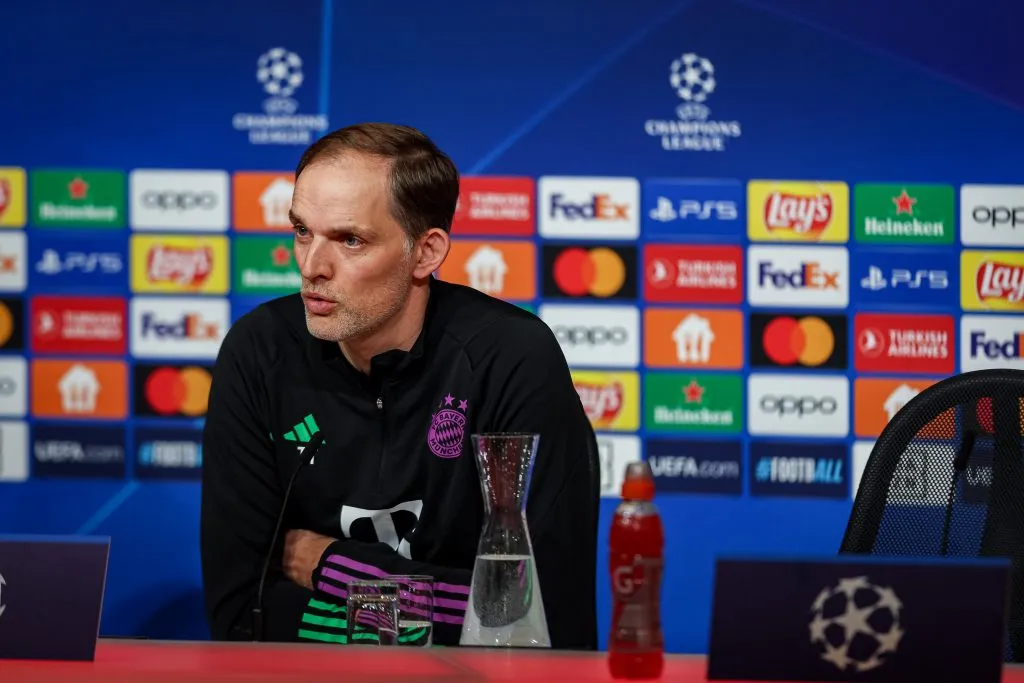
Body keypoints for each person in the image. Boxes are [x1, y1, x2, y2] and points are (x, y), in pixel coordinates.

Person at [199, 122, 600, 649]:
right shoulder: (259, 352)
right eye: (302, 232)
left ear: (427, 252)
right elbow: (241, 614)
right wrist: (437, 608)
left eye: (350, 240)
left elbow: (537, 617)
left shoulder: (510, 359)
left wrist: (334, 567)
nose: (312, 267)